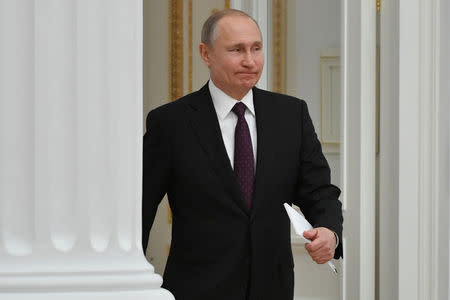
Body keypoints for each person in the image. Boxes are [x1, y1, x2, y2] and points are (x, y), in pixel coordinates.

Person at [142, 9, 343, 300]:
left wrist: (328, 231)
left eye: (256, 48)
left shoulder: (291, 115)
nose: (250, 61)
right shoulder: (170, 123)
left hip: (272, 289)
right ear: (206, 53)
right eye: (237, 50)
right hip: (195, 290)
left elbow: (319, 191)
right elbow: (140, 208)